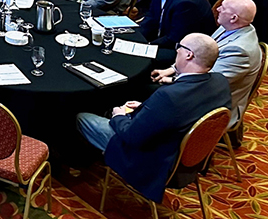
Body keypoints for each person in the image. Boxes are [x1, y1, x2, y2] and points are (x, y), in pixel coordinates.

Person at [75, 33, 232, 205]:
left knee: (82, 117)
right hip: (189, 159)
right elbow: (187, 108)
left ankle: (79, 159)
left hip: (152, 162)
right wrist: (145, 107)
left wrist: (118, 115)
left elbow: (131, 136)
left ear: (189, 55)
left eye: (180, 47)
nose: (177, 50)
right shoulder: (220, 82)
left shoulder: (169, 96)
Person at [151, 0, 261, 131]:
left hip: (212, 105)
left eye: (223, 8)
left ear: (233, 18)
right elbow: (202, 55)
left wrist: (172, 79)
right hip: (203, 85)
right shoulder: (230, 27)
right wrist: (172, 69)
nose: (218, 9)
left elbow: (207, 84)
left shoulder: (240, 51)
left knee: (155, 94)